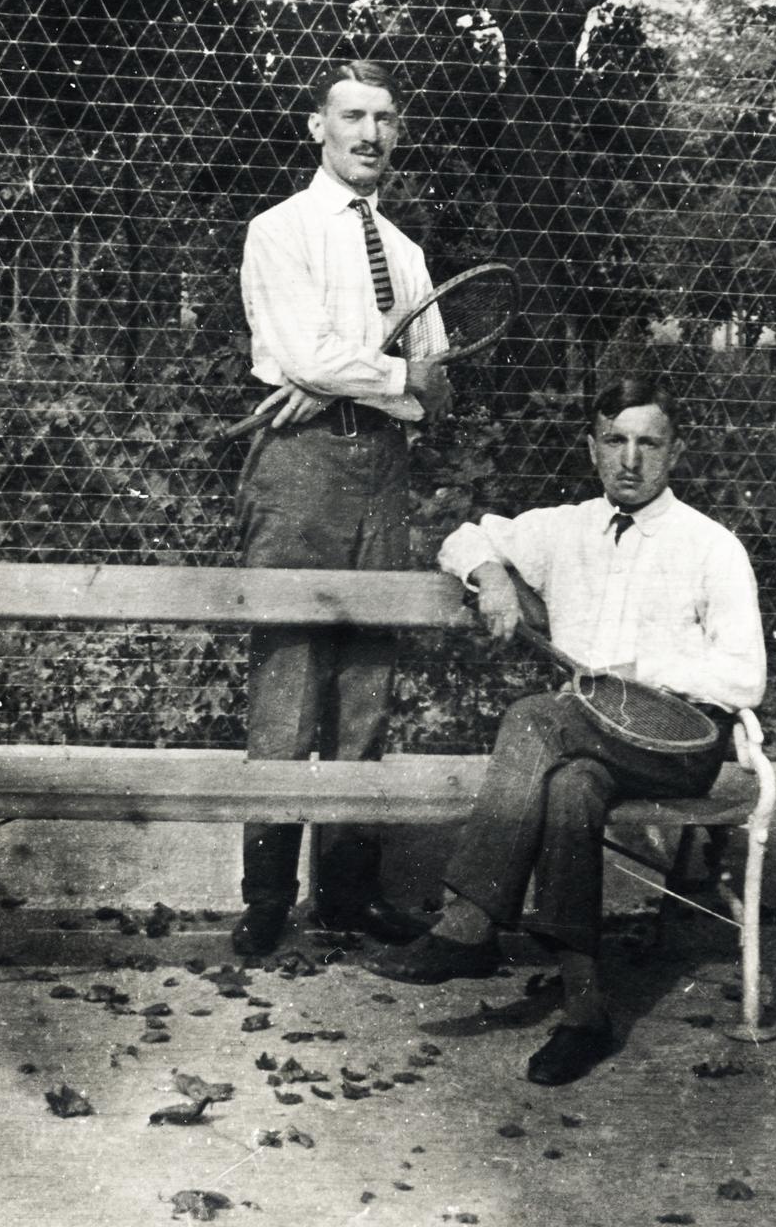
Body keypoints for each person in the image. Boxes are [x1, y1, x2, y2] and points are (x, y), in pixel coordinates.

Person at [366, 377, 765, 1086]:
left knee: (530, 717)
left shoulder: (711, 546)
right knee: (572, 788)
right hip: (586, 742)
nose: (630, 460)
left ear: (674, 451)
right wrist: (490, 575)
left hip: (679, 749)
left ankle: (470, 922)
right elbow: (464, 535)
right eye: (615, 441)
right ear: (592, 447)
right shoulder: (565, 527)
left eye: (648, 442)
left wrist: (643, 670)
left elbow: (744, 678)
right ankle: (584, 1014)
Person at [231, 59, 452, 959]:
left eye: (385, 118)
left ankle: (347, 896)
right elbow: (301, 351)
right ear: (315, 126)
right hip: (299, 470)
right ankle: (266, 900)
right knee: (288, 678)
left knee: (367, 683)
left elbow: (437, 387)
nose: (369, 134)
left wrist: (340, 381)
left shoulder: (404, 252)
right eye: (352, 116)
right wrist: (373, 377)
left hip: (383, 472)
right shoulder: (277, 230)